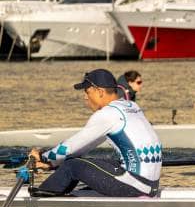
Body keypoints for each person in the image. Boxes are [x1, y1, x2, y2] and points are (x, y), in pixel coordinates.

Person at [28, 69, 161, 197]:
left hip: (136, 185)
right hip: (151, 185)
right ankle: (56, 192)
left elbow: (69, 148)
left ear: (100, 92)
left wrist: (42, 156)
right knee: (83, 161)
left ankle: (42, 197)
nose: (85, 97)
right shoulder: (132, 106)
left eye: (87, 92)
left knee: (72, 165)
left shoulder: (107, 114)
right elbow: (82, 147)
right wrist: (52, 163)